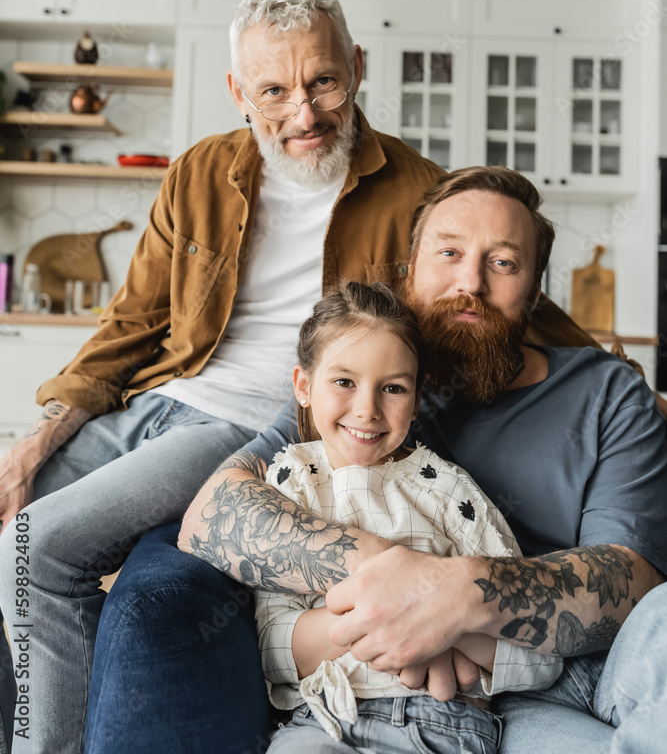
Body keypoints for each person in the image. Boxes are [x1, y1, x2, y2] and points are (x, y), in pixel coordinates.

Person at [0, 0, 591, 754]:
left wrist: (619, 376)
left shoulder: (416, 190)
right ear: (236, 91)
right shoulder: (200, 170)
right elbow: (132, 322)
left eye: (323, 82)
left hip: (244, 424)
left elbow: (503, 294)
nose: (303, 114)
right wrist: (39, 438)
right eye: (273, 91)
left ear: (357, 66)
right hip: (153, 401)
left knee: (35, 548)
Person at [168, 166, 666, 754]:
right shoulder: (365, 378)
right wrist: (405, 586)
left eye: (503, 262)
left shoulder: (607, 392)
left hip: (569, 668)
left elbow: (633, 583)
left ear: (535, 292)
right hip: (425, 690)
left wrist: (459, 595)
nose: (471, 282)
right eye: (448, 253)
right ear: (410, 271)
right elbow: (213, 517)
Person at [250, 280, 562, 752]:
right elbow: (273, 646)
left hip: (446, 723)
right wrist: (395, 619)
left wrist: (444, 625)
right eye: (344, 382)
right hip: (326, 720)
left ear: (416, 401)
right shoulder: (288, 488)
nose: (367, 410)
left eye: (393, 388)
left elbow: (540, 655)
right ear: (303, 386)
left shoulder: (448, 492)